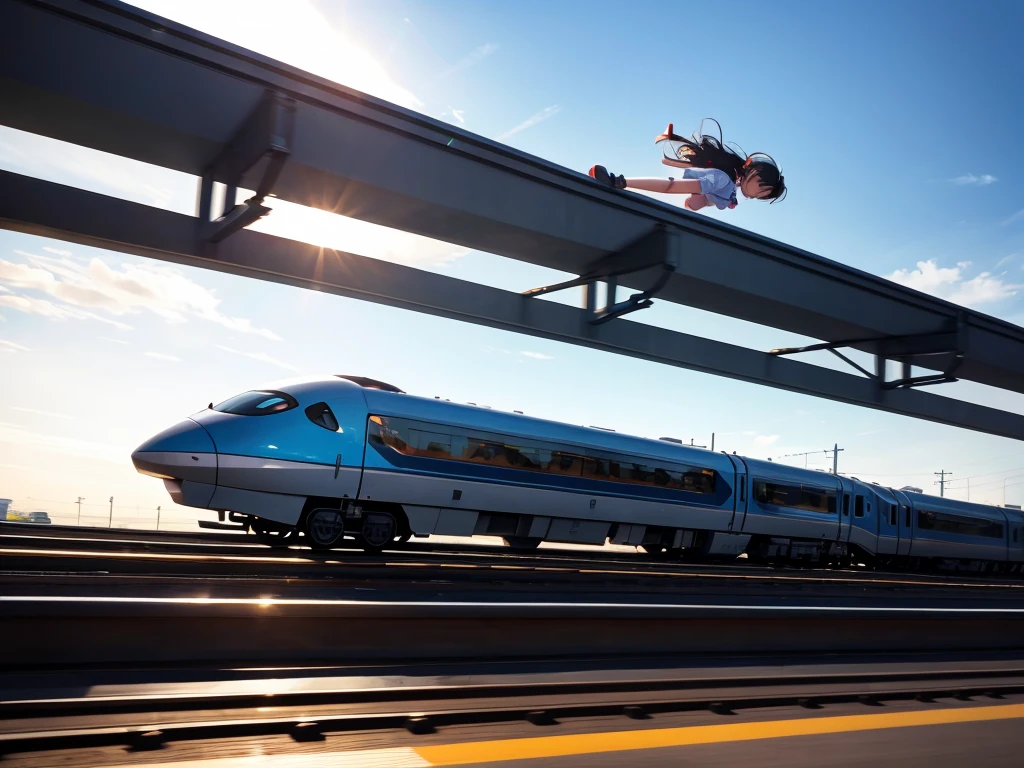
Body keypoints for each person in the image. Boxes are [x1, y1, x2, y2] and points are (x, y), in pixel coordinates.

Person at [589, 118, 786, 211]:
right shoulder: (723, 178)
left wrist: (701, 201)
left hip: (710, 190)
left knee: (683, 190)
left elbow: (710, 197)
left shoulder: (729, 184)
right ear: (755, 176)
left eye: (761, 196)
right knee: (671, 185)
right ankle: (619, 181)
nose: (756, 196)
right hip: (707, 186)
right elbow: (673, 187)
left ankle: (619, 181)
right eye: (761, 191)